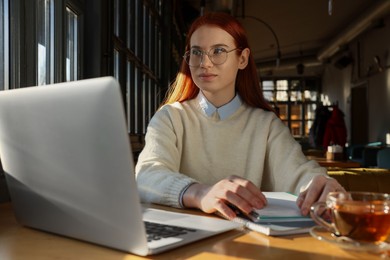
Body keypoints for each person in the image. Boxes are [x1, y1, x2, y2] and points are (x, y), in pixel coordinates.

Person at [135, 12, 344, 219]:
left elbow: (297, 173)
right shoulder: (171, 117)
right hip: (183, 239)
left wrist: (320, 185)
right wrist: (200, 193)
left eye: (218, 51)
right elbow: (146, 176)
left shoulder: (266, 125)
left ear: (242, 59)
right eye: (197, 52)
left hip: (247, 242)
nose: (204, 63)